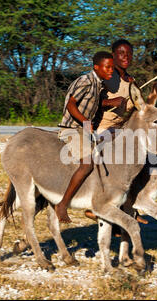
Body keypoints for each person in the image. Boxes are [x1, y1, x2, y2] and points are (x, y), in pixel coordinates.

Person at [86, 40, 148, 229]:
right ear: (113, 56)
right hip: (101, 127)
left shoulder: (131, 81)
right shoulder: (106, 78)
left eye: (129, 53)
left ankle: (129, 205)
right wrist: (110, 102)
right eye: (121, 53)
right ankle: (93, 205)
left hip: (121, 130)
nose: (126, 57)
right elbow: (89, 101)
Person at [55, 51, 114, 223]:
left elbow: (94, 103)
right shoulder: (85, 81)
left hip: (85, 129)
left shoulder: (99, 85)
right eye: (107, 67)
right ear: (97, 67)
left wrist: (115, 102)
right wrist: (86, 122)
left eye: (112, 67)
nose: (111, 70)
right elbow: (71, 105)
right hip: (72, 128)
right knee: (87, 164)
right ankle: (63, 205)